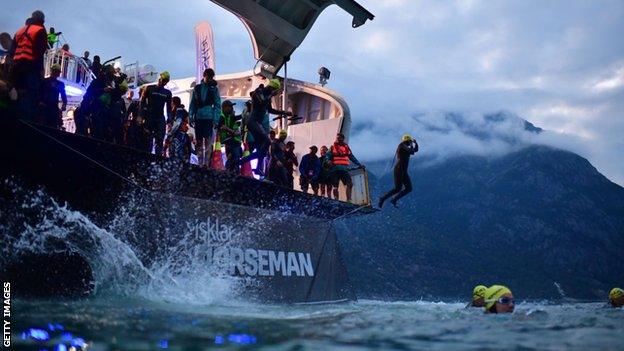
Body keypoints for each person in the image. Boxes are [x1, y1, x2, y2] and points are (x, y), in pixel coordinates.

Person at [237, 79, 293, 175]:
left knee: (262, 149)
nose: (274, 92)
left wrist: (284, 112)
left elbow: (270, 110)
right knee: (267, 141)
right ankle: (241, 162)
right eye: (274, 90)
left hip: (257, 123)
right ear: (272, 87)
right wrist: (271, 95)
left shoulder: (267, 96)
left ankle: (255, 167)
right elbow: (262, 102)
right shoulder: (258, 92)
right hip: (252, 121)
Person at [10, 10, 48, 122]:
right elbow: (39, 52)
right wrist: (41, 70)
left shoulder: (19, 31)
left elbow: (12, 51)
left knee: (16, 93)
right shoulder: (40, 30)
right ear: (41, 20)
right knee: (30, 95)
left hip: (17, 68)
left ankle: (12, 121)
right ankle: (24, 124)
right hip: (31, 69)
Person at [189, 68, 220, 168]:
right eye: (208, 77)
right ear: (204, 76)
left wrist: (215, 120)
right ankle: (199, 162)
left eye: (211, 77)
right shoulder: (197, 88)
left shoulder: (214, 89)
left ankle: (206, 163)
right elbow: (192, 103)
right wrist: (190, 116)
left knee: (208, 141)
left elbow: (217, 105)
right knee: (198, 141)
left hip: (209, 117)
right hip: (198, 117)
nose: (209, 79)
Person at [379, 134, 419, 208]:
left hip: (403, 171)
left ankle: (394, 199)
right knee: (397, 188)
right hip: (398, 170)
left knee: (409, 188)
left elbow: (415, 150)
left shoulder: (406, 146)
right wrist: (412, 145)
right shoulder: (402, 145)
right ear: (406, 141)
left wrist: (415, 143)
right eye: (409, 141)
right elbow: (411, 151)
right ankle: (382, 198)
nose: (410, 143)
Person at [141, 71, 172, 155]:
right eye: (164, 80)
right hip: (149, 117)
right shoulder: (149, 88)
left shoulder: (167, 93)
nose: (165, 82)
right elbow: (142, 102)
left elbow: (169, 108)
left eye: (167, 81)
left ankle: (158, 158)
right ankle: (146, 156)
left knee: (160, 139)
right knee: (148, 138)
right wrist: (141, 115)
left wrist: (169, 121)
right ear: (160, 78)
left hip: (160, 118)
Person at [326, 133, 363, 202]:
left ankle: (348, 200)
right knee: (335, 186)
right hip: (335, 169)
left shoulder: (346, 147)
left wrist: (359, 164)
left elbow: (352, 157)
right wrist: (328, 161)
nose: (337, 139)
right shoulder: (332, 147)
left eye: (339, 138)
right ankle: (336, 199)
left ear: (343, 139)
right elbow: (327, 156)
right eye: (337, 138)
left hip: (344, 169)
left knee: (350, 184)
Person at [38, 63, 66, 129]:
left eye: (57, 72)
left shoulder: (59, 84)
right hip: (44, 107)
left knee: (51, 126)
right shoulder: (45, 81)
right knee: (43, 126)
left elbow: (63, 95)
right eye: (56, 71)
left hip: (52, 108)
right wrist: (39, 101)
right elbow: (39, 92)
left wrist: (64, 104)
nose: (56, 73)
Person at [165, 97, 192, 162]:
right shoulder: (181, 110)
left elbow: (178, 123)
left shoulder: (179, 110)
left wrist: (170, 134)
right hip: (181, 135)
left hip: (178, 136)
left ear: (173, 103)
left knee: (176, 156)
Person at [218, 100, 242, 173]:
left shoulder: (228, 116)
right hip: (226, 139)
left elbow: (238, 118)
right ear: (224, 107)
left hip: (229, 139)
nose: (232, 109)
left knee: (232, 156)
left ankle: (230, 170)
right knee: (235, 156)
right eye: (230, 107)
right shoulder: (221, 116)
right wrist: (233, 132)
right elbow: (222, 127)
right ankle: (233, 171)